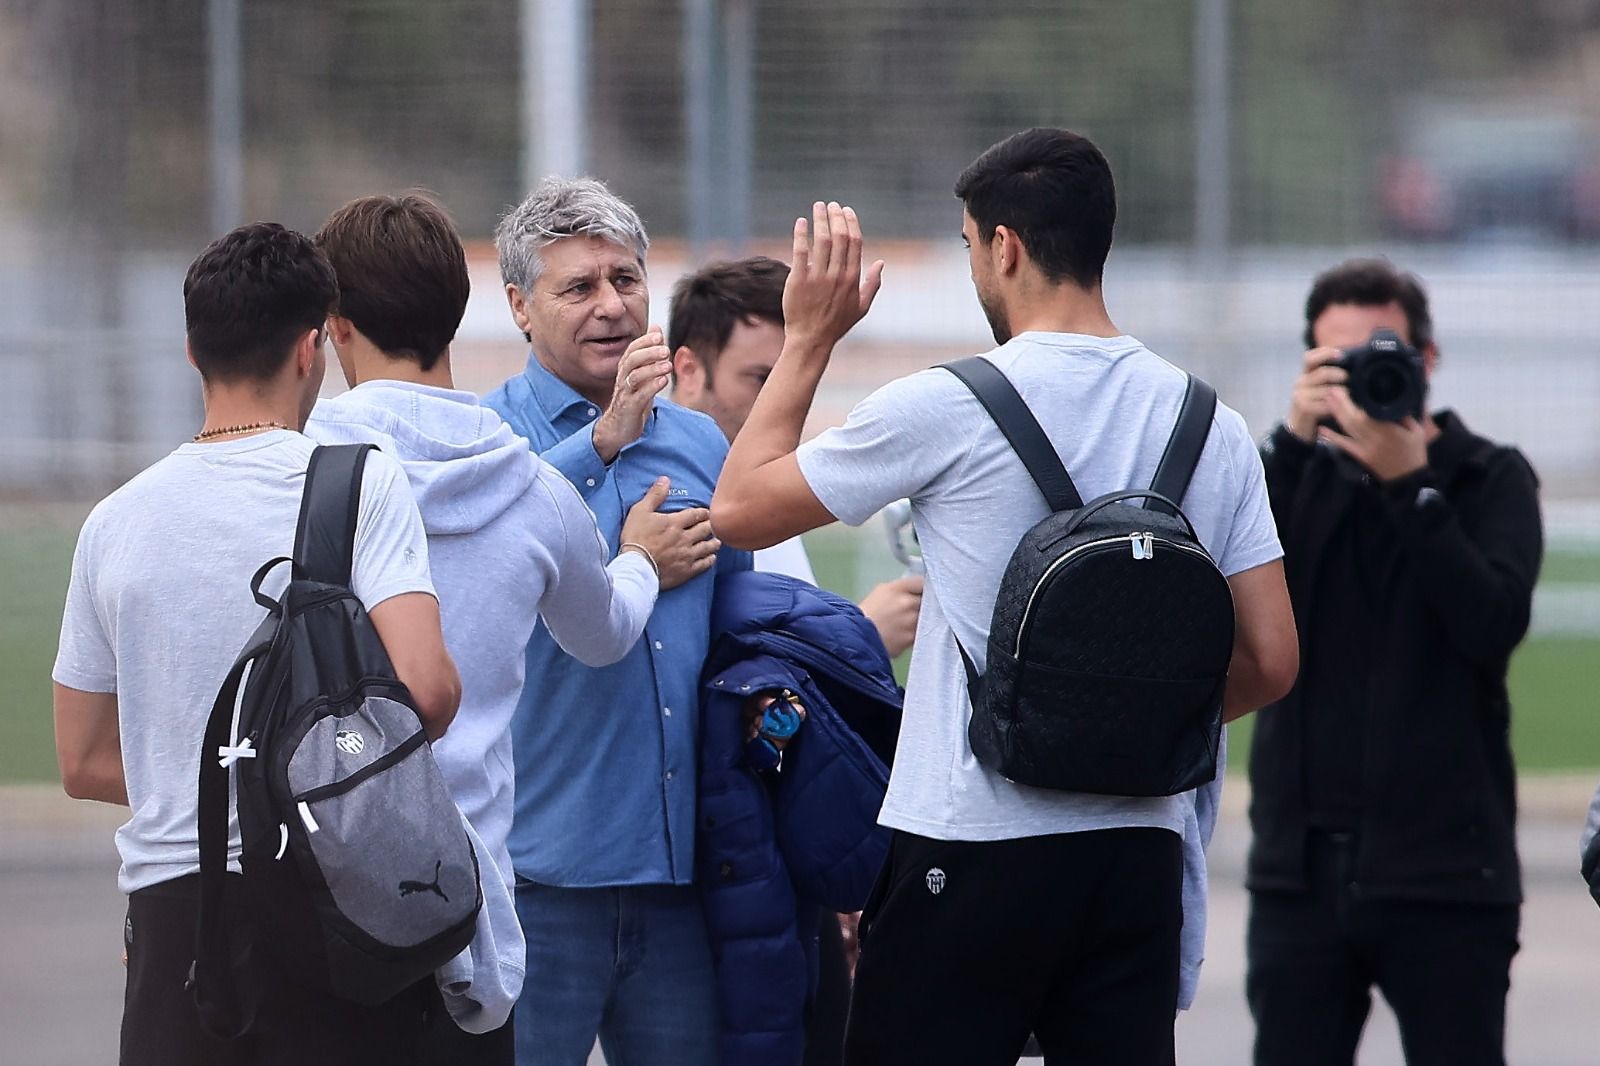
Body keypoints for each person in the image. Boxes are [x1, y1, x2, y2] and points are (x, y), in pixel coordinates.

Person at [711, 128, 1300, 1066]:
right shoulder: (1209, 422)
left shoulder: (948, 405)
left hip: (971, 842)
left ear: (1006, 247)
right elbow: (1271, 660)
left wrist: (811, 335)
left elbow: (740, 508)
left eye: (968, 246)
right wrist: (1118, 720)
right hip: (1138, 852)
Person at [303, 193, 700, 1062]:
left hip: (318, 887)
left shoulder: (298, 474)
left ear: (334, 328)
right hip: (473, 909)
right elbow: (604, 633)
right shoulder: (528, 484)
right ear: (486, 306)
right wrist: (635, 558)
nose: (609, 302)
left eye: (624, 279)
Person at [52, 222, 460, 1066]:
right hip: (329, 899)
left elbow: (85, 759)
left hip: (174, 927)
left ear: (194, 351)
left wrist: (197, 769)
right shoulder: (356, 479)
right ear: (312, 347)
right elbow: (429, 692)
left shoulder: (112, 522)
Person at [481, 177, 750, 1065]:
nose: (611, 306)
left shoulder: (700, 442)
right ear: (520, 307)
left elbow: (740, 632)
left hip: (678, 880)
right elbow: (493, 580)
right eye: (578, 288)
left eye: (626, 280)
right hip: (536, 881)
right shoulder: (485, 446)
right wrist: (601, 447)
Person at [1246, 258, 1542, 1066]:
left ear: (1428, 362)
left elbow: (1492, 625)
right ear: (1309, 366)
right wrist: (1292, 443)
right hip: (1301, 874)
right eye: (1338, 364)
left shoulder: (1488, 478)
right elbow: (1222, 600)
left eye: (1384, 356)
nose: (1364, 378)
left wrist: (1414, 489)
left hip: (1447, 873)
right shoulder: (1288, 482)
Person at [669, 255, 924, 657]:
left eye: (795, 375)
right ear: (688, 370)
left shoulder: (756, 488)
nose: (784, 397)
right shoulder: (666, 498)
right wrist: (860, 633)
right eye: (762, 378)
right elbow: (712, 686)